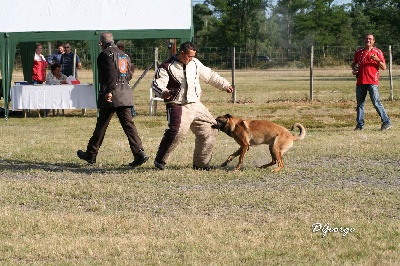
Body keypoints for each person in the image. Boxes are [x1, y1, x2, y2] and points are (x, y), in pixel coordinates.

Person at [151, 41, 234, 170]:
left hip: (195, 103)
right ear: (182, 53)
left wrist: (225, 85)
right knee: (177, 132)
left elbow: (210, 75)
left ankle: (201, 164)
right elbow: (157, 83)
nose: (191, 59)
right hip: (177, 104)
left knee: (211, 128)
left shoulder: (195, 63)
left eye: (193, 56)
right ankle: (160, 160)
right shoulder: (166, 66)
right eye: (189, 56)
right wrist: (163, 92)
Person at [77, 31, 148, 167]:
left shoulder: (105, 54)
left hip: (111, 94)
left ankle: (91, 154)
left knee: (101, 125)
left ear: (101, 43)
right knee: (129, 126)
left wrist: (109, 91)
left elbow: (110, 73)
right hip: (125, 93)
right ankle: (139, 153)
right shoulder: (124, 55)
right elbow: (129, 73)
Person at [351, 33, 392, 131]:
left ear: (374, 41)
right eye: (366, 39)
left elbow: (384, 67)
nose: (368, 40)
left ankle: (386, 122)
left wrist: (377, 60)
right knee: (360, 104)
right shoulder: (359, 52)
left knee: (376, 102)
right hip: (360, 81)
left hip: (372, 81)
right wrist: (354, 69)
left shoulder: (377, 52)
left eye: (370, 39)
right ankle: (359, 125)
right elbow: (354, 63)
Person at [116, 40, 137, 117]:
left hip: (125, 79)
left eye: (122, 47)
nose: (120, 48)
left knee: (128, 96)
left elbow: (131, 66)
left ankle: (132, 111)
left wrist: (130, 75)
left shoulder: (127, 56)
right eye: (119, 47)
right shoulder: (114, 55)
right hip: (117, 79)